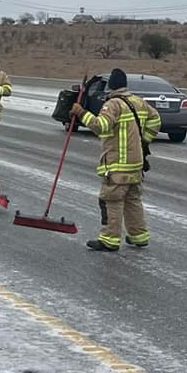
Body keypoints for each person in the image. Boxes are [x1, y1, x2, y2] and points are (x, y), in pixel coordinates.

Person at [69, 68, 161, 251]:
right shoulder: (138, 102)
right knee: (133, 199)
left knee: (112, 200)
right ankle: (139, 235)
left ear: (111, 86)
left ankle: (110, 239)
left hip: (118, 164)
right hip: (136, 164)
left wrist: (81, 113)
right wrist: (144, 140)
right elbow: (155, 120)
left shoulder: (113, 105)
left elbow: (100, 126)